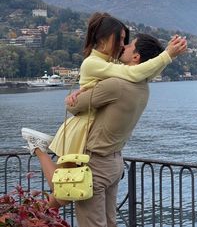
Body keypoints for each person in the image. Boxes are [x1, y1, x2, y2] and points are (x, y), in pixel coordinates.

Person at [21, 12, 187, 209]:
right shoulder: (94, 62)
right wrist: (167, 55)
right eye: (121, 38)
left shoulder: (109, 62)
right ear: (105, 38)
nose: (122, 44)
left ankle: (27, 216)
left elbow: (142, 71)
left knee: (62, 197)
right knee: (63, 192)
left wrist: (165, 56)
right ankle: (39, 148)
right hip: (81, 129)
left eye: (126, 40)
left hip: (88, 126)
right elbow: (133, 72)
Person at [65, 33, 187, 227]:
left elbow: (73, 106)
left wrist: (74, 95)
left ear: (136, 57)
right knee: (110, 221)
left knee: (92, 223)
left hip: (95, 163)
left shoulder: (116, 85)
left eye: (130, 45)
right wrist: (167, 55)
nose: (124, 46)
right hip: (115, 162)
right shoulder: (143, 87)